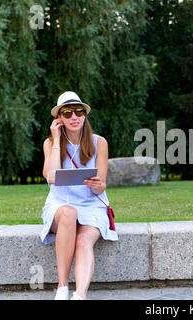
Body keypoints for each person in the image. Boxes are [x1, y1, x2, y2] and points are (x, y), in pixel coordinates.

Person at [41, 91, 118, 300]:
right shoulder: (50, 143)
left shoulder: (99, 142)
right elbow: (51, 176)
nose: (74, 117)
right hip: (61, 205)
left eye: (79, 111)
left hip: (91, 204)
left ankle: (80, 295)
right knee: (68, 213)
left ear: (85, 115)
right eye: (67, 113)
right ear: (59, 119)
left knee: (84, 240)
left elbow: (101, 185)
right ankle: (62, 287)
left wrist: (97, 185)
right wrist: (56, 139)